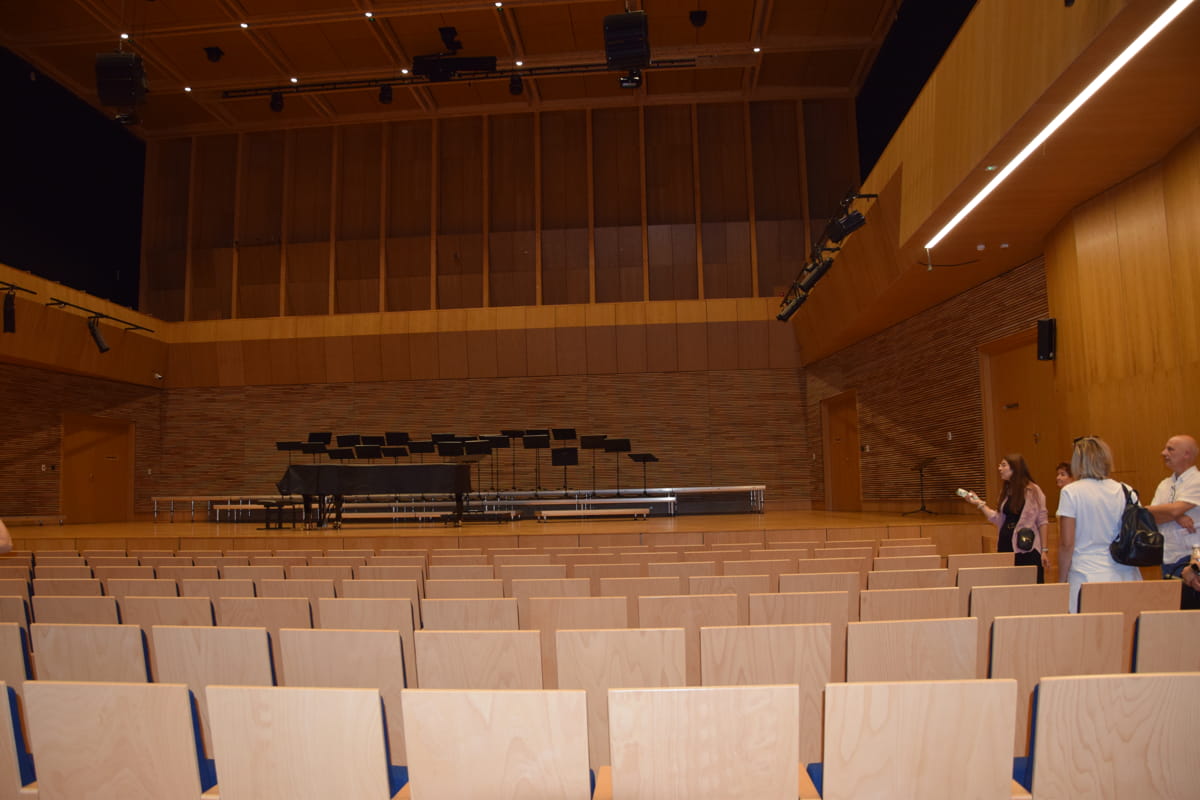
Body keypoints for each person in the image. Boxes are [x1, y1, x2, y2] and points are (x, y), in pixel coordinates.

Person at [1056, 436, 1141, 612]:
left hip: (1086, 574)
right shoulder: (1126, 490)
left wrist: (1061, 581)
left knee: (1087, 627)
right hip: (1125, 573)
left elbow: (1067, 544)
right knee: (1125, 626)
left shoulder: (1071, 492)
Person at [962, 454, 1048, 582]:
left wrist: (1044, 550)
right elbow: (998, 519)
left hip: (1026, 547)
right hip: (1006, 544)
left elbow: (1042, 521)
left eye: (1003, 465)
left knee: (1029, 586)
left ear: (1015, 468)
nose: (999, 468)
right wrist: (979, 503)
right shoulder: (1007, 491)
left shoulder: (1033, 490)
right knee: (1007, 586)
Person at [1146, 434, 1199, 608]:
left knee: (1192, 613)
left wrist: (1173, 512)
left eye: (1170, 449)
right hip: (1168, 558)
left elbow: (1173, 509)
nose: (1164, 453)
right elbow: (1149, 515)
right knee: (1174, 615)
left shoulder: (1197, 481)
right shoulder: (1164, 484)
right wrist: (1177, 515)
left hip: (1192, 561)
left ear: (1187, 454)